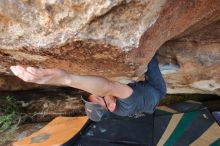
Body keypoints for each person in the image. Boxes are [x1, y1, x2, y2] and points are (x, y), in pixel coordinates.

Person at [10, 56, 166, 121]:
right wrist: (66, 79)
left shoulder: (118, 105)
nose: (96, 93)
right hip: (156, 89)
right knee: (150, 59)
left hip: (144, 98)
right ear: (110, 107)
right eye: (99, 96)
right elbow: (108, 87)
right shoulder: (127, 105)